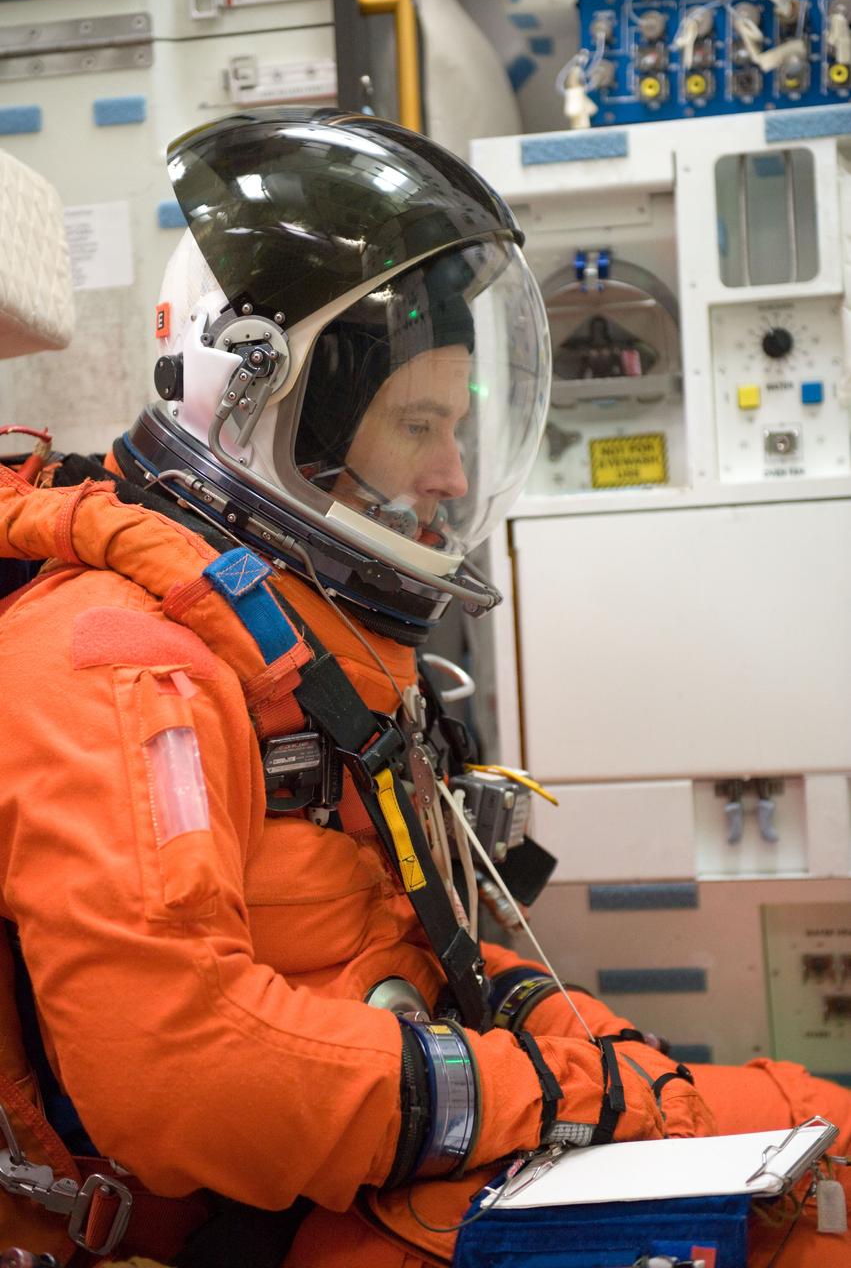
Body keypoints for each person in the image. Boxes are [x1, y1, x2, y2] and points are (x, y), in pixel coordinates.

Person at [0, 107, 848, 1268]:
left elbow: (418, 938)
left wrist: (610, 1068)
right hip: (255, 1219)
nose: (451, 475)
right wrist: (550, 1093)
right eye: (418, 423)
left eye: (456, 424)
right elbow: (186, 1079)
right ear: (266, 405)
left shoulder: (295, 645)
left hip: (383, 1154)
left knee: (826, 1132)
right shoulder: (120, 669)